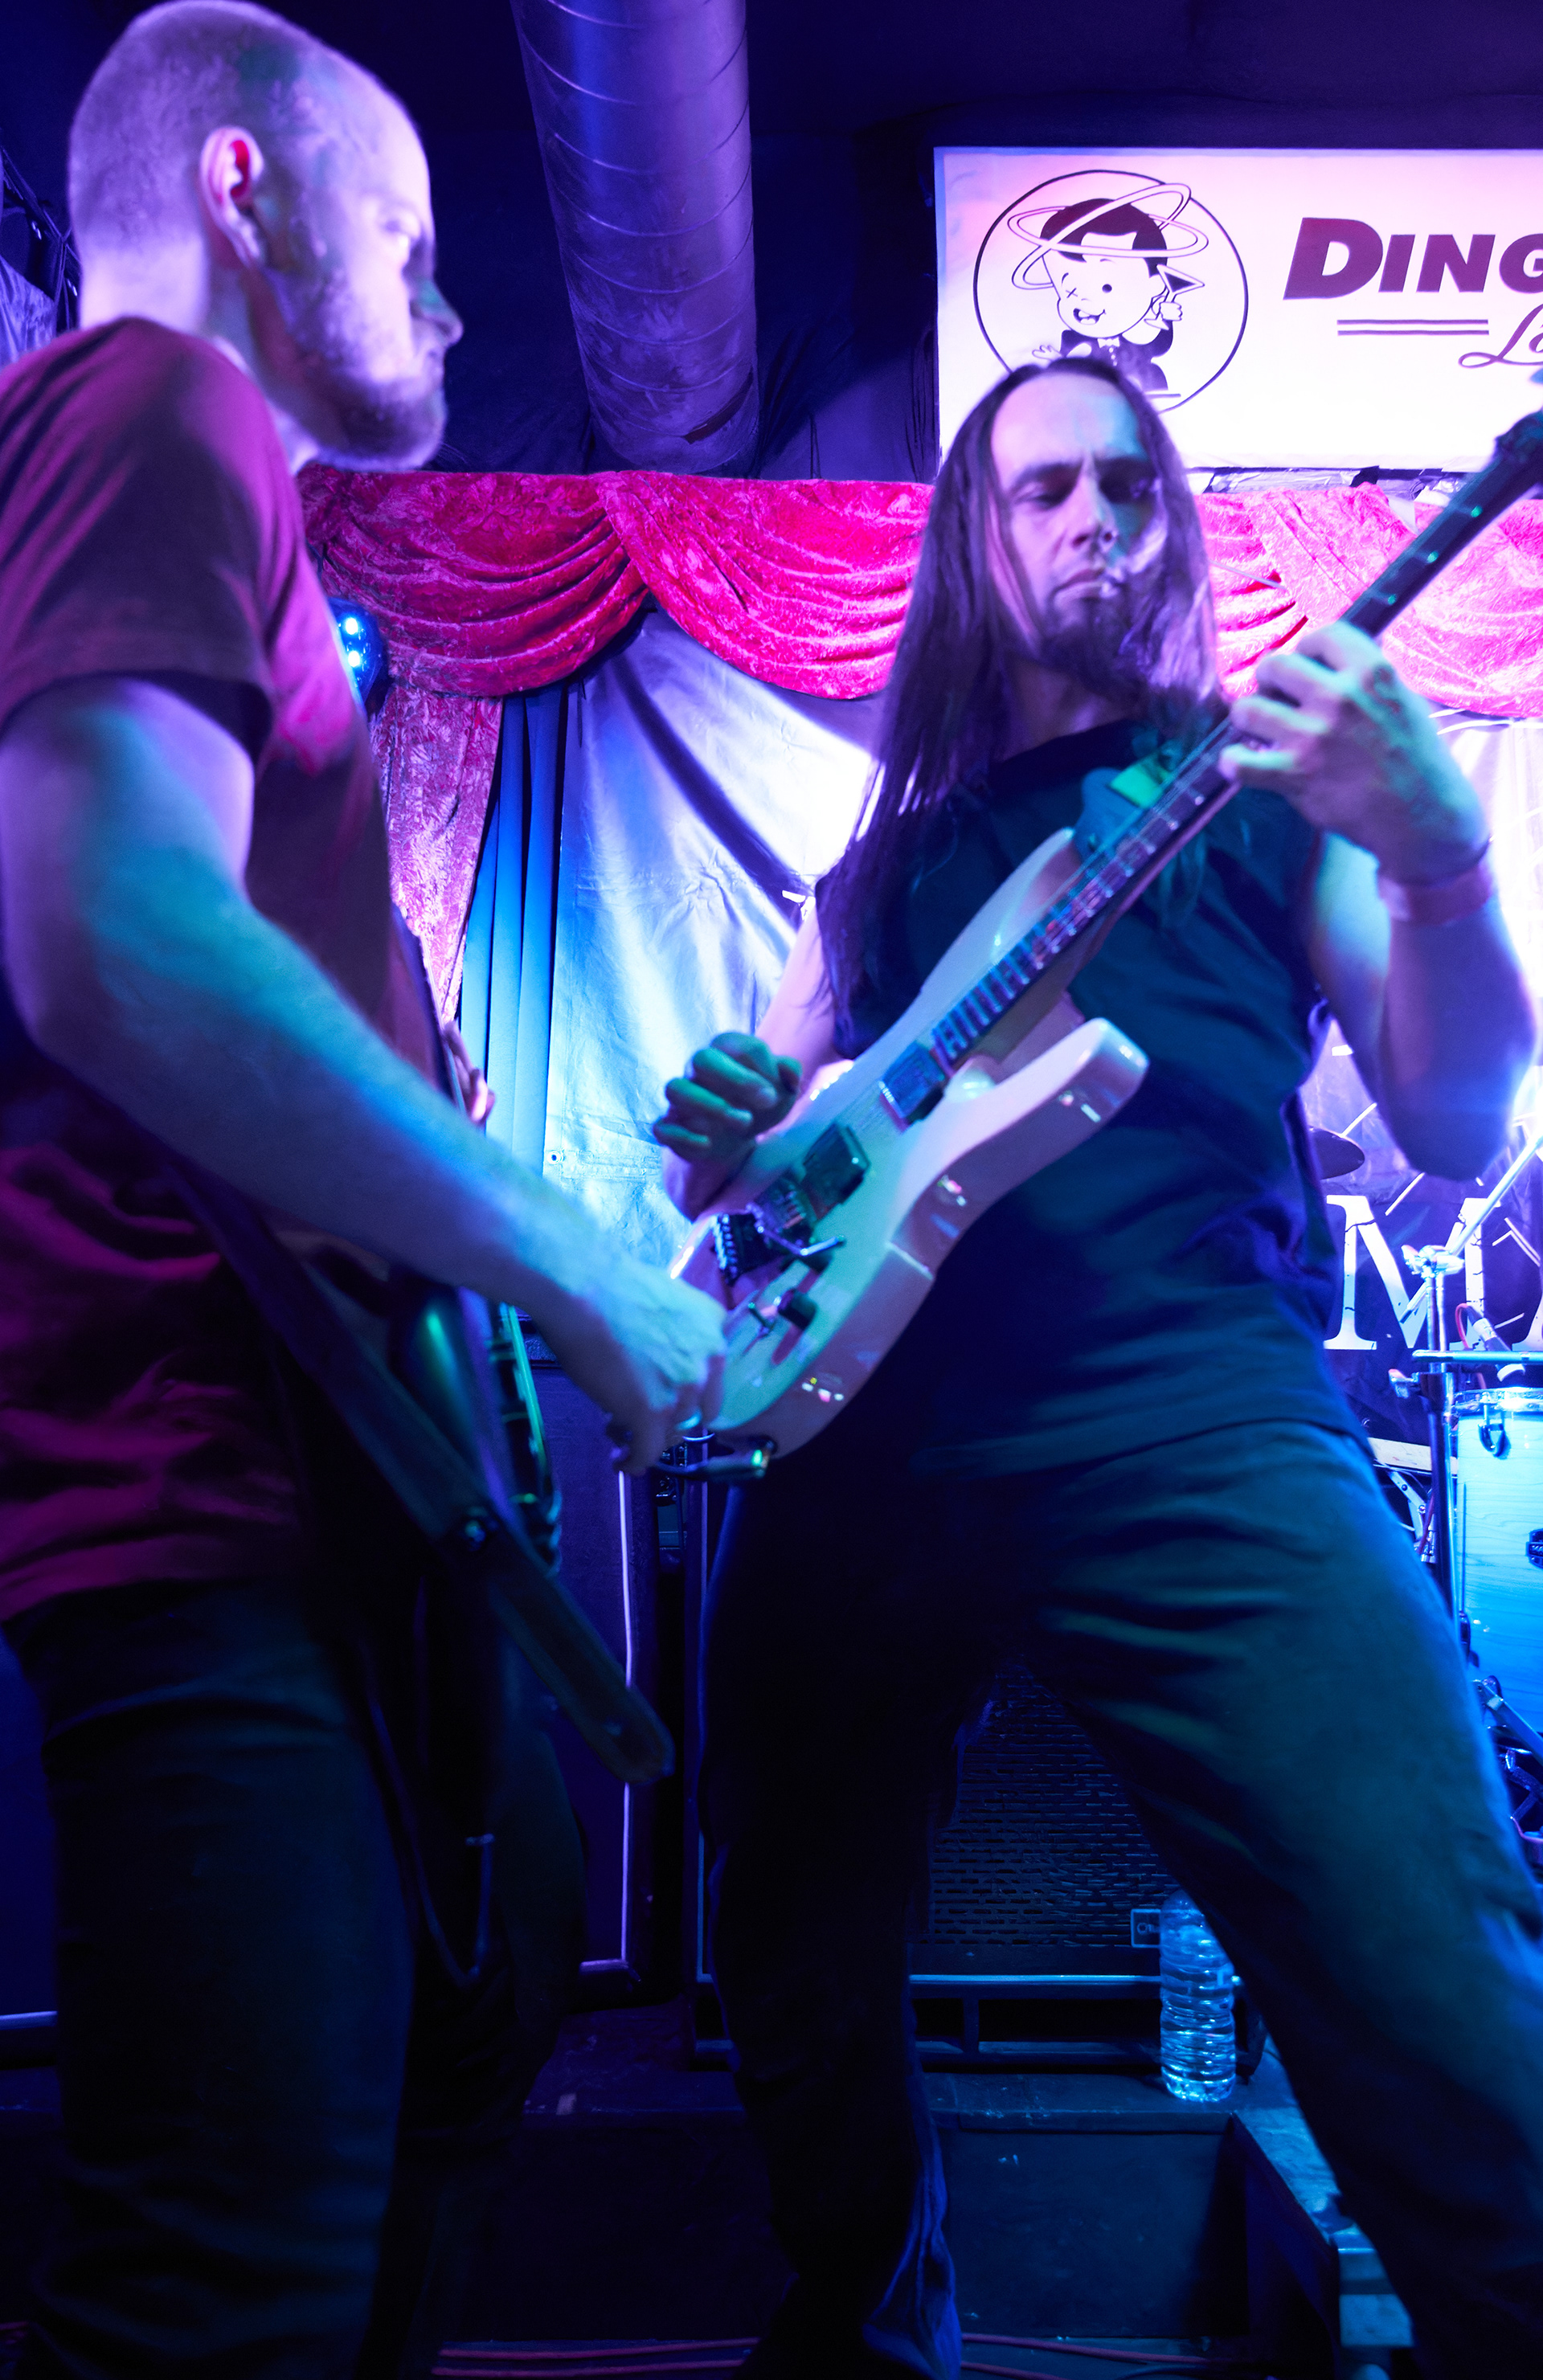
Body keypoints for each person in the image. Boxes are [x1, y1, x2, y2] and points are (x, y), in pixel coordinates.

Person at [654, 357, 1543, 2378]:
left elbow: (1456, 1113)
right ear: (975, 539)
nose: (1095, 523)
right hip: (869, 1434)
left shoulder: (1264, 800)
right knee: (786, 1942)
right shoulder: (879, 869)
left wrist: (1441, 859)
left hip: (1189, 1398)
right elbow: (776, 1167)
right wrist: (728, 1129)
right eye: (1045, 488)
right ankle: (873, 2323)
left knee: (1428, 1945)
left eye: (1132, 486)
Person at [0, 6, 724, 2375]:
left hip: (328, 1508)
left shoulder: (168, 477)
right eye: (406, 237)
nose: (447, 299)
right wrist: (574, 1266)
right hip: (221, 1510)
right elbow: (114, 933)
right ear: (248, 193)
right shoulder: (155, 404)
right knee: (225, 2294)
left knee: (413, 2148)